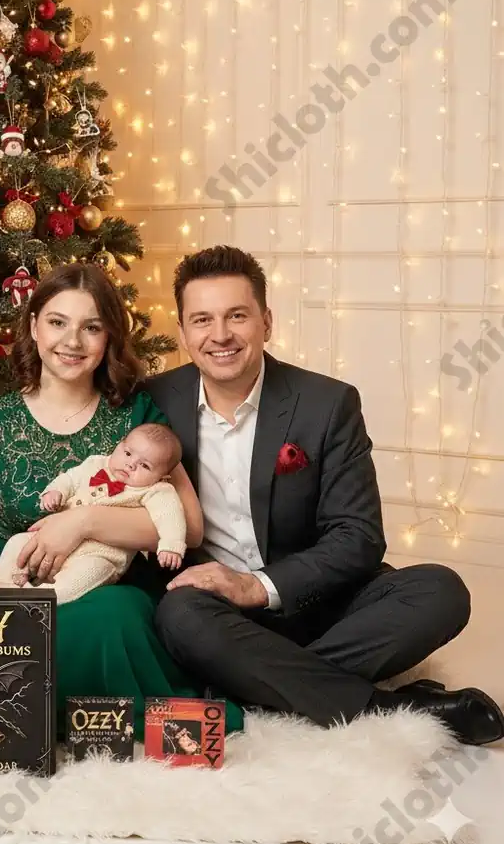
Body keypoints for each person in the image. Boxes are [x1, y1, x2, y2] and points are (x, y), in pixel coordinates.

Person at [148, 244, 504, 746]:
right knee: (179, 616)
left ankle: (258, 682)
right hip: (217, 616)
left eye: (237, 315)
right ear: (183, 332)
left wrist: (258, 586)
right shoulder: (155, 401)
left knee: (440, 591)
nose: (220, 335)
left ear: (266, 322)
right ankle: (386, 706)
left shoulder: (327, 402)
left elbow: (358, 537)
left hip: (318, 603)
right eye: (202, 319)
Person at [0, 262, 245, 738]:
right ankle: (28, 718)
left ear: (108, 338)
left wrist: (85, 521)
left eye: (92, 327)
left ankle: (111, 725)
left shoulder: (138, 418)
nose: (73, 341)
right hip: (13, 586)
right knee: (14, 633)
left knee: (115, 616)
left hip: (103, 584)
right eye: (57, 322)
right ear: (33, 327)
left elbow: (187, 528)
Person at [0, 423, 189, 603]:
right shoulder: (96, 464)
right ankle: (5, 585)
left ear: (163, 476)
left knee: (87, 574)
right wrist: (55, 491)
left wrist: (171, 545)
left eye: (145, 465)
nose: (131, 464)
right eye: (128, 453)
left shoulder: (157, 490)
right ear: (119, 445)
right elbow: (70, 479)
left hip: (100, 555)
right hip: (52, 540)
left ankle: (41, 598)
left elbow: (170, 516)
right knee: (17, 543)